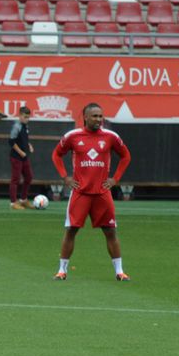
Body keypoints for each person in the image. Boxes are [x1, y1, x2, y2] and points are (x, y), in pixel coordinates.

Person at [51, 102, 131, 282]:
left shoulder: (110, 137)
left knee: (110, 231)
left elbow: (126, 156)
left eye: (101, 116)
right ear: (85, 117)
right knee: (71, 230)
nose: (99, 119)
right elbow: (56, 154)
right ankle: (62, 270)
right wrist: (66, 178)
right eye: (95, 116)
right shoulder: (73, 136)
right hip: (81, 193)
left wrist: (115, 179)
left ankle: (120, 271)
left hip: (102, 193)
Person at [9, 106, 34, 210]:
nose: (27, 119)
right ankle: (13, 203)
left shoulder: (26, 126)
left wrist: (29, 145)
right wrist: (20, 152)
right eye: (25, 117)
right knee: (15, 179)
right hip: (16, 157)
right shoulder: (16, 126)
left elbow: (24, 139)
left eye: (28, 117)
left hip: (24, 157)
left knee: (29, 177)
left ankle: (23, 200)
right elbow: (11, 141)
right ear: (19, 116)